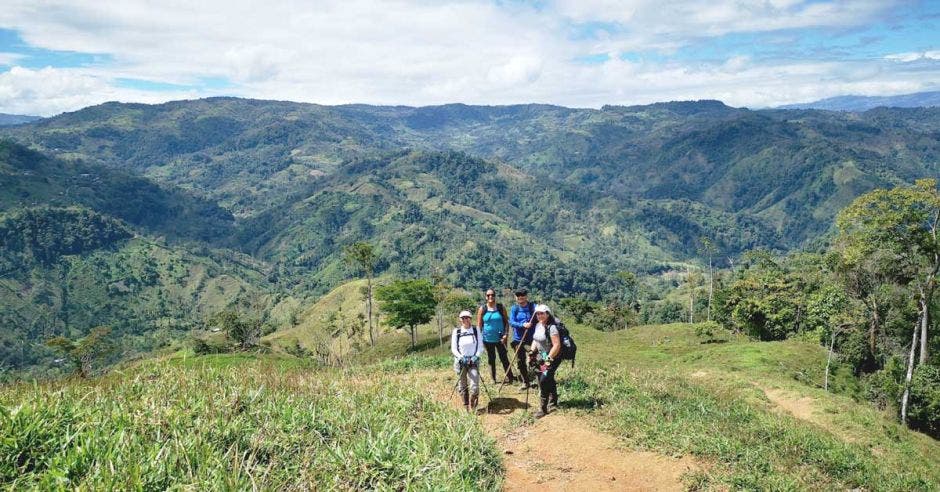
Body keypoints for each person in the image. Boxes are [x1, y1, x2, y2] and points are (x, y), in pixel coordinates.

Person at [530, 304, 563, 418]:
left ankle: (543, 408)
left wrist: (548, 360)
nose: (539, 316)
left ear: (547, 314)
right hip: (542, 355)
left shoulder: (552, 327)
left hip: (552, 356)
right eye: (538, 314)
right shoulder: (538, 325)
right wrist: (531, 351)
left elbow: (557, 345)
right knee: (547, 377)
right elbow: (536, 340)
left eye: (542, 313)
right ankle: (553, 401)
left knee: (543, 379)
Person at [477, 288, 513, 384]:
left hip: (501, 338)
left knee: (504, 358)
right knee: (491, 359)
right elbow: (479, 326)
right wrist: (479, 340)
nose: (490, 297)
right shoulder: (482, 309)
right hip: (487, 339)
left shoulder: (501, 308)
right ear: (486, 297)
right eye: (488, 295)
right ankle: (493, 379)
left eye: (492, 295)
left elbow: (506, 322)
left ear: (495, 296)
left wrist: (506, 335)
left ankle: (510, 377)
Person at [451, 310, 483, 412]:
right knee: (462, 384)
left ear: (470, 318)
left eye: (467, 317)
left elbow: (480, 346)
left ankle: (473, 405)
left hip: (473, 361)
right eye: (463, 318)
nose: (465, 320)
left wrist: (476, 356)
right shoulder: (457, 331)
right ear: (460, 320)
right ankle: (466, 406)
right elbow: (454, 348)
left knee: (474, 386)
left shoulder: (475, 329)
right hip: (461, 362)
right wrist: (461, 357)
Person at [509, 288, 537, 390]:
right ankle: (526, 382)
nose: (520, 297)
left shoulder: (532, 307)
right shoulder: (514, 308)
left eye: (522, 295)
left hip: (531, 340)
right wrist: (523, 325)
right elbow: (511, 322)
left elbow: (541, 314)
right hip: (518, 340)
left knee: (535, 359)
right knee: (520, 362)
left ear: (526, 296)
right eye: (518, 295)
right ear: (516, 297)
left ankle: (539, 380)